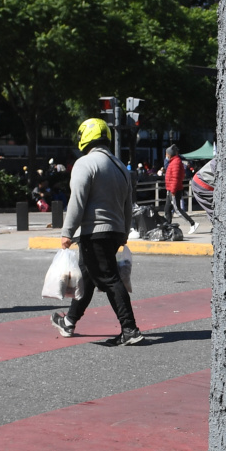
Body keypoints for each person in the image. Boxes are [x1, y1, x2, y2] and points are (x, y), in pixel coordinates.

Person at [50, 118, 142, 346]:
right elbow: (128, 204)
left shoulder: (85, 163)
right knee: (88, 276)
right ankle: (69, 321)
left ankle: (130, 329)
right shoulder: (120, 166)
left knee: (110, 279)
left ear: (85, 137)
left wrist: (67, 232)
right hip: (114, 231)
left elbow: (77, 201)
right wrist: (124, 232)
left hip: (94, 232)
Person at [163, 151, 194, 229]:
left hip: (174, 190)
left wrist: (173, 190)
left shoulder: (175, 162)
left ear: (170, 154)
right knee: (167, 208)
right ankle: (167, 225)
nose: (166, 156)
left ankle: (192, 223)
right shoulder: (172, 162)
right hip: (170, 189)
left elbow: (175, 178)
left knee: (177, 209)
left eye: (167, 154)